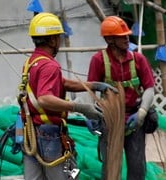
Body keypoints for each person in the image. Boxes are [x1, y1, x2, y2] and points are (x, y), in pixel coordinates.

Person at [18, 12, 109, 180]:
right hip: (48, 134)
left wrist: (93, 85)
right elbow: (44, 98)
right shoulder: (50, 66)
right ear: (52, 40)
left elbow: (61, 82)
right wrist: (80, 107)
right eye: (58, 37)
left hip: (30, 132)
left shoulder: (32, 62)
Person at [87, 16, 156, 179]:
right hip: (109, 122)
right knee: (111, 167)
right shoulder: (98, 60)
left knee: (137, 167)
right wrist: (91, 113)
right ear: (110, 39)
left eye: (127, 35)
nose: (127, 39)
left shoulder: (138, 59)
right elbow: (90, 91)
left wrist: (142, 112)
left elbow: (150, 88)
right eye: (122, 36)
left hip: (134, 120)